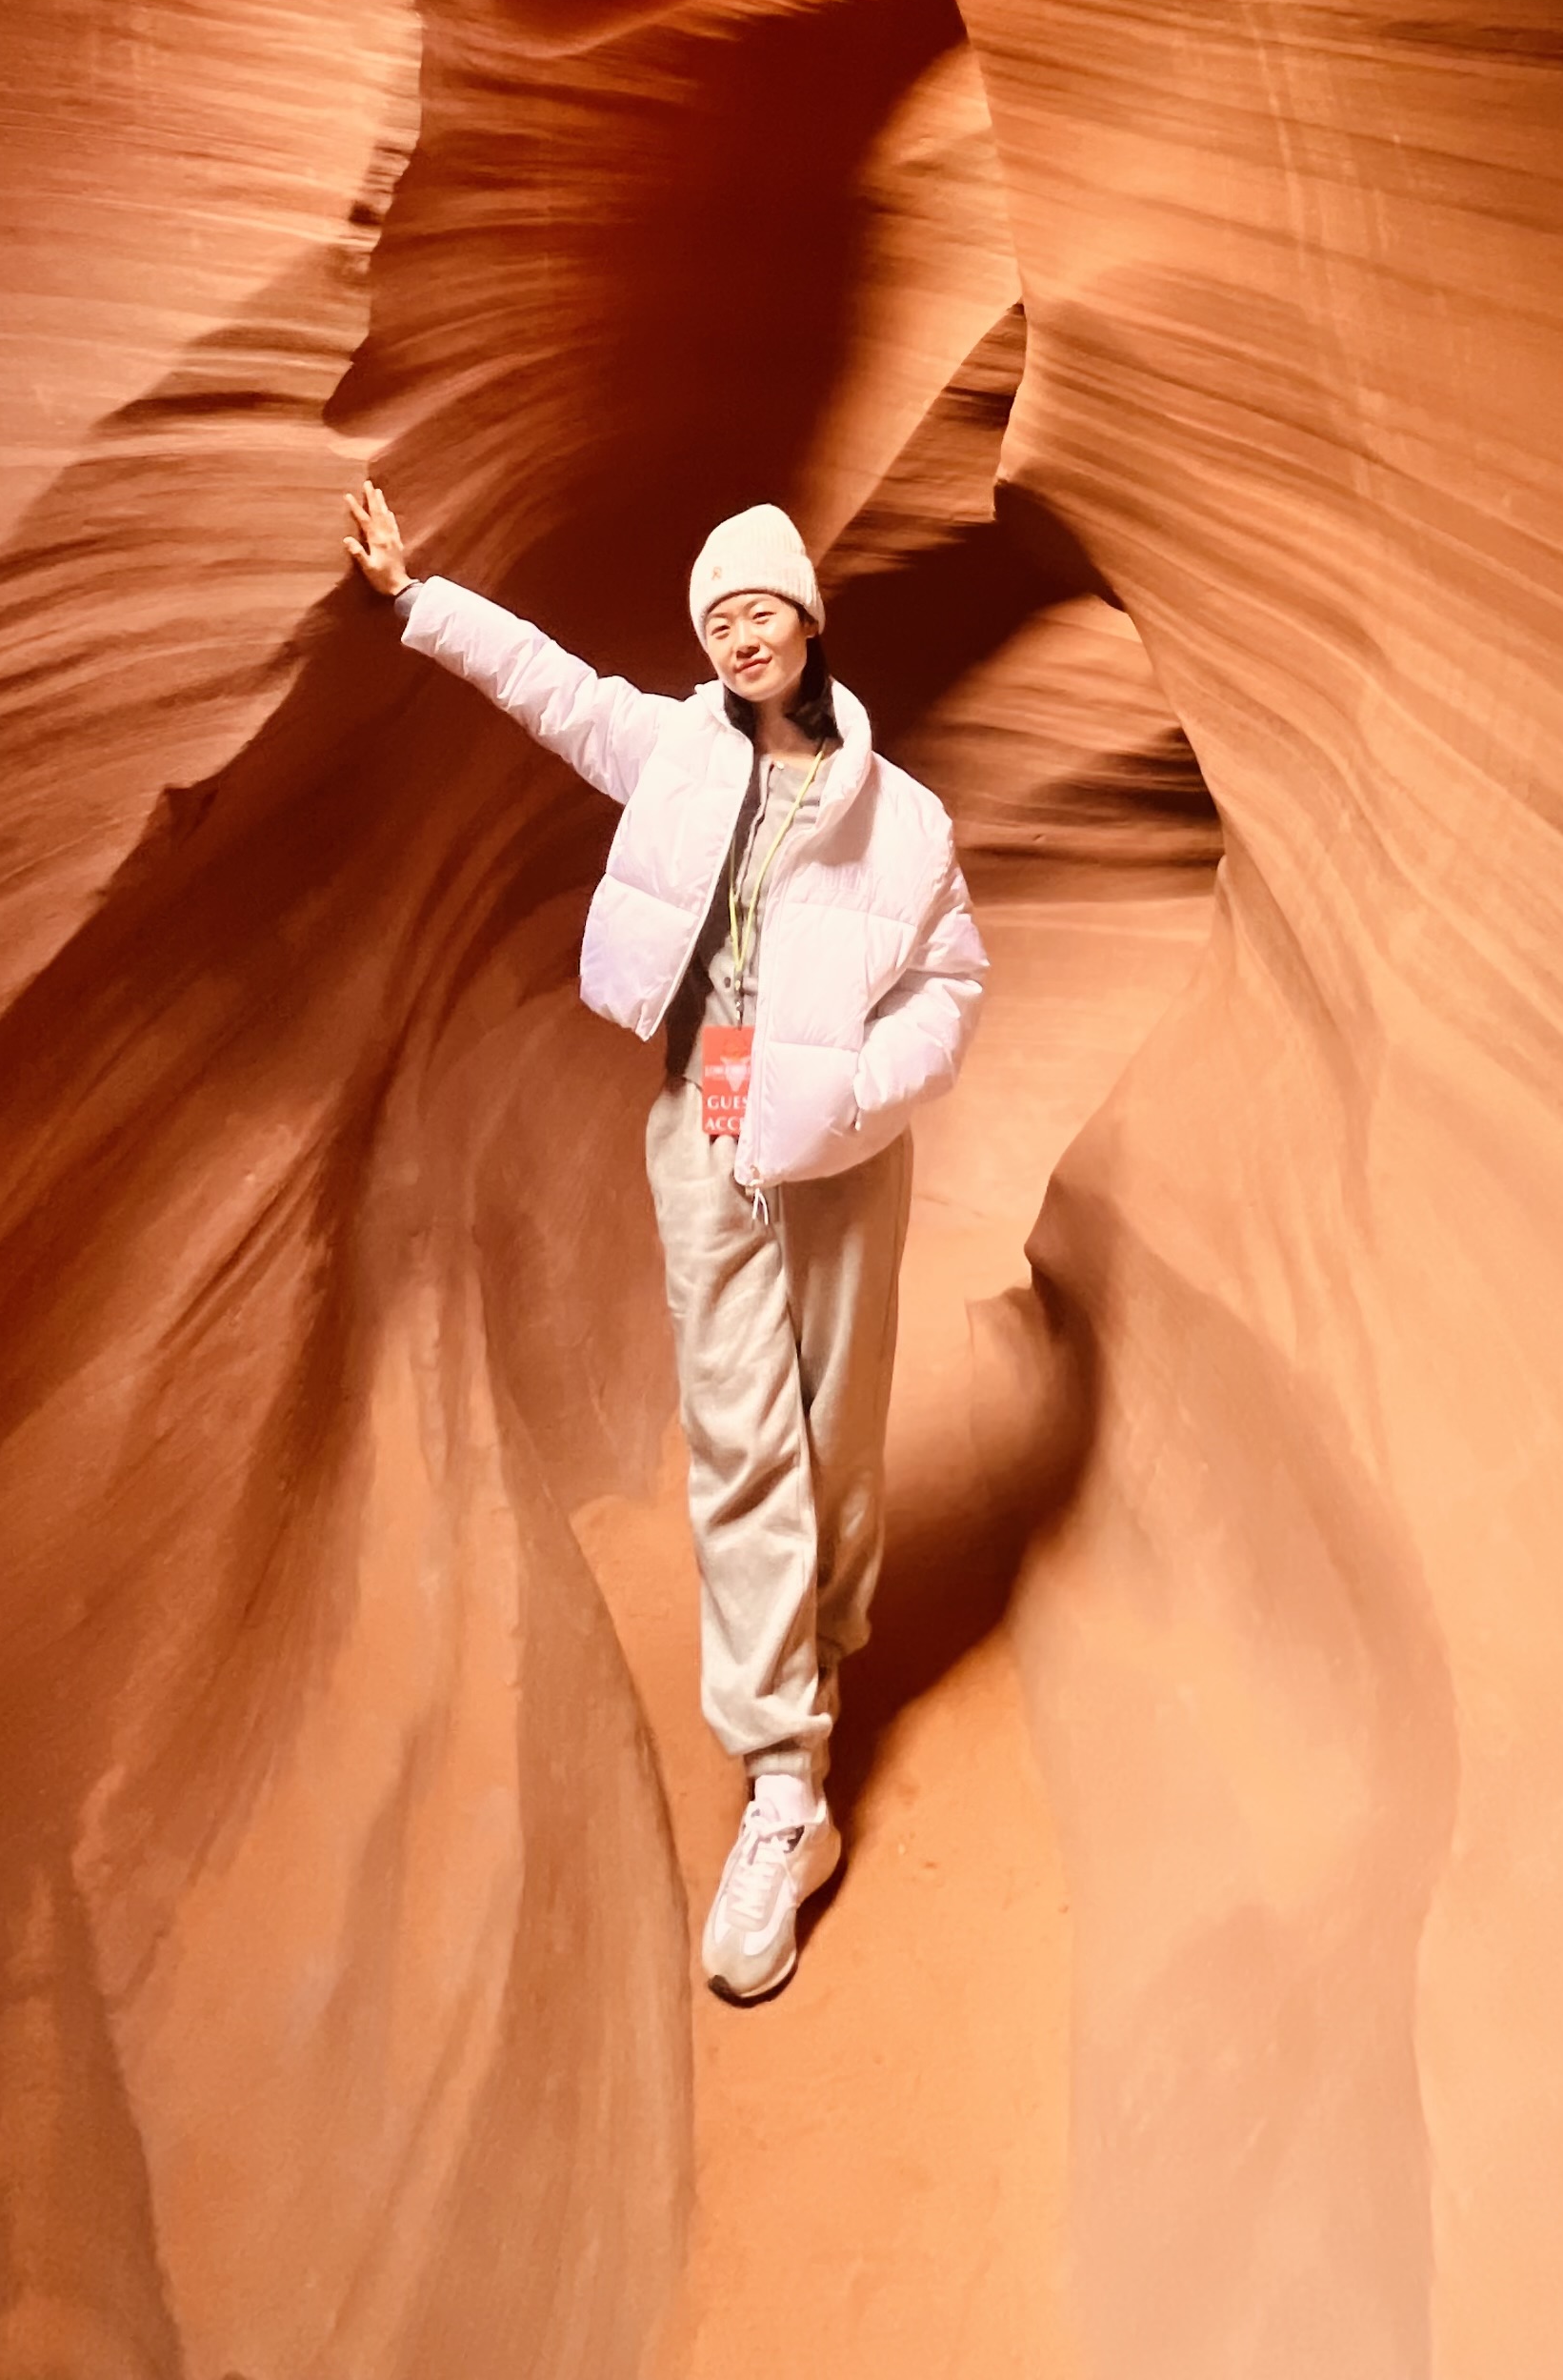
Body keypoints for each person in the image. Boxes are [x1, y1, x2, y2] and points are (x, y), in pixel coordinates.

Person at [343, 478, 988, 2001]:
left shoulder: (908, 821)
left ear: (807, 617)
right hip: (705, 1120)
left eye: (759, 604)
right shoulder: (675, 751)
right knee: (739, 1434)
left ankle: (820, 1646)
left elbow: (953, 992)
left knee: (839, 1426)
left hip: (843, 1147)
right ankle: (785, 1788)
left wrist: (842, 1095)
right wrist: (412, 598)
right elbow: (551, 686)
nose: (738, 630)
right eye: (715, 617)